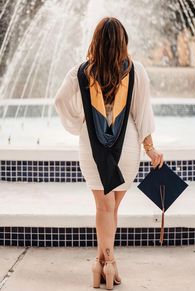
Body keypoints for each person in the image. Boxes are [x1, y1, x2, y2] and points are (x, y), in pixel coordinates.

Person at [54, 16, 164, 290]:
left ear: (95, 41)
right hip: (126, 147)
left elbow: (58, 100)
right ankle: (108, 263)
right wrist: (150, 149)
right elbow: (142, 114)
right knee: (111, 209)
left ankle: (101, 263)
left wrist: (79, 121)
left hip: (91, 147)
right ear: (123, 43)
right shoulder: (136, 71)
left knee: (103, 208)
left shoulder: (80, 72)